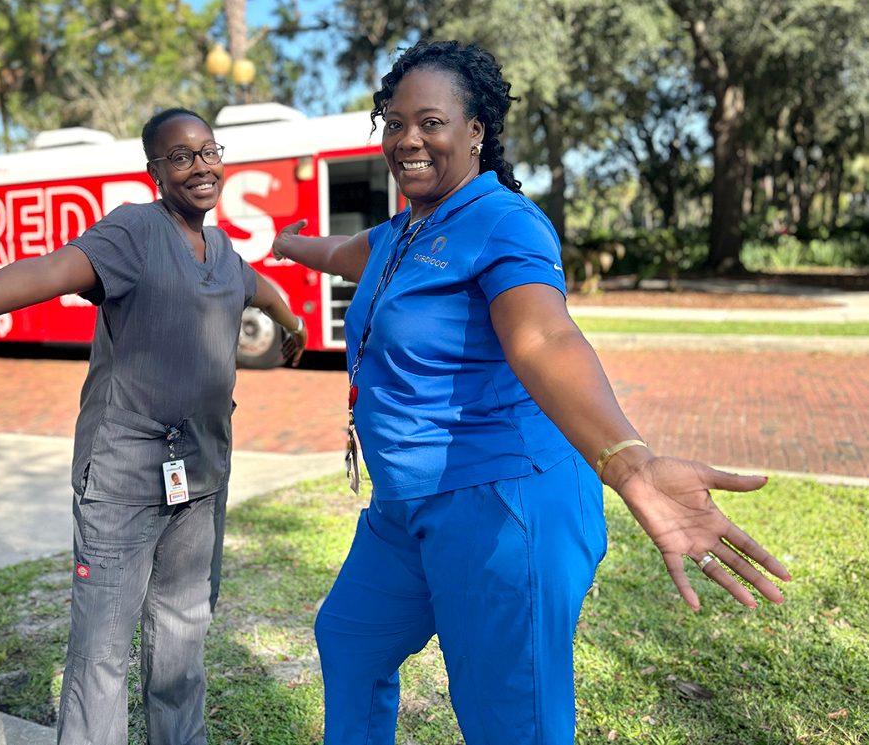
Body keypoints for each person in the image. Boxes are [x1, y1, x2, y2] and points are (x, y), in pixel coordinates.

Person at [271, 40, 790, 745]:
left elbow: (544, 338)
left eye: (430, 121)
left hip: (503, 506)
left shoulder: (503, 222)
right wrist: (290, 243)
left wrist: (629, 462)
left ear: (477, 129)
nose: (407, 139)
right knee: (350, 638)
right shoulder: (402, 232)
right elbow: (342, 254)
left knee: (509, 719)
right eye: (393, 123)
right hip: (406, 505)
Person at [0, 107, 308, 745]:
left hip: (202, 477)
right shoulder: (134, 233)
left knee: (183, 639)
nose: (201, 166)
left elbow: (258, 288)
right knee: (100, 656)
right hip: (124, 480)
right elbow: (46, 272)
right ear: (154, 171)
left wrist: (292, 327)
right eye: (180, 157)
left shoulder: (223, 253)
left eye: (208, 150)